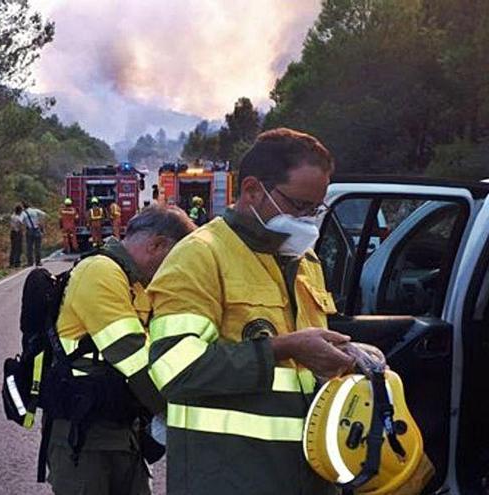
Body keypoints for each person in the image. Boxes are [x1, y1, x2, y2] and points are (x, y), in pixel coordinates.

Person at [146, 128, 355, 495]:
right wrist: (283, 348)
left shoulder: (304, 259)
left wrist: (348, 354)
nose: (309, 221)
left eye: (317, 209)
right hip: (229, 477)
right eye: (299, 206)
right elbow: (175, 371)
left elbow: (305, 366)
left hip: (308, 475)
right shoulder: (199, 256)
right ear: (252, 191)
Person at [48, 205, 196, 495]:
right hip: (85, 438)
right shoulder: (100, 271)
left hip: (122, 432)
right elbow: (133, 357)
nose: (175, 269)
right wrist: (177, 415)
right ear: (156, 245)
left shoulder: (136, 284)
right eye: (175, 259)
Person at [22, 201, 47, 267]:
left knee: (29, 247)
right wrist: (39, 222)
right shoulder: (35, 210)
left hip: (29, 230)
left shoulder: (23, 213)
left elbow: (20, 220)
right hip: (37, 229)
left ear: (23, 207)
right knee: (38, 247)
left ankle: (30, 262)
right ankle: (38, 262)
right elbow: (44, 214)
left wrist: (25, 223)